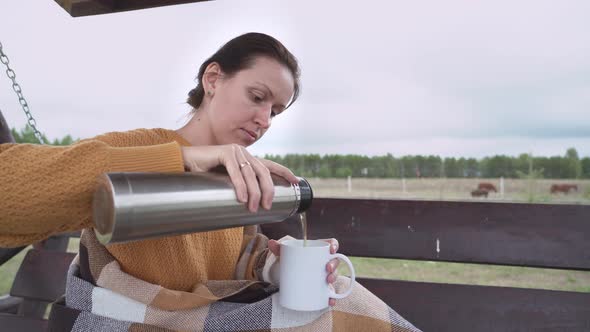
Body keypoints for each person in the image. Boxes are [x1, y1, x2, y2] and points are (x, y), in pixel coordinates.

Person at [0, 32, 420, 331]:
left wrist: (276, 264)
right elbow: (10, 190)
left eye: (276, 110)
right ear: (213, 79)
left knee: (345, 301)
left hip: (210, 319)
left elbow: (231, 264)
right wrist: (182, 159)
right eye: (257, 97)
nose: (264, 120)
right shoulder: (140, 148)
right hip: (124, 320)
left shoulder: (238, 178)